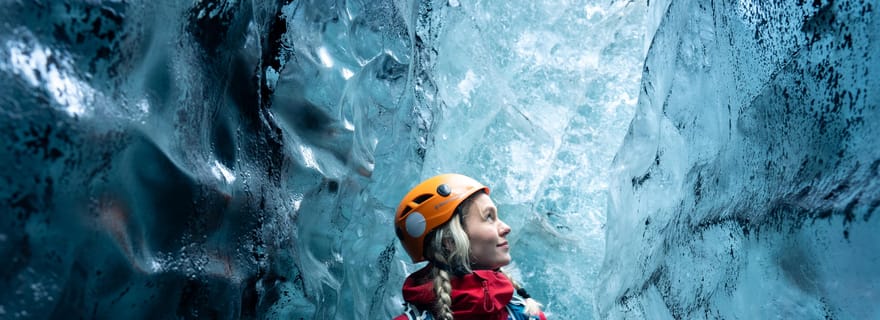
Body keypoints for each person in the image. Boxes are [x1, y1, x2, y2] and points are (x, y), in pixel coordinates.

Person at [393, 174, 547, 320]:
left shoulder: (529, 315)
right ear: (450, 241)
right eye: (488, 217)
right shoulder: (525, 316)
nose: (506, 228)